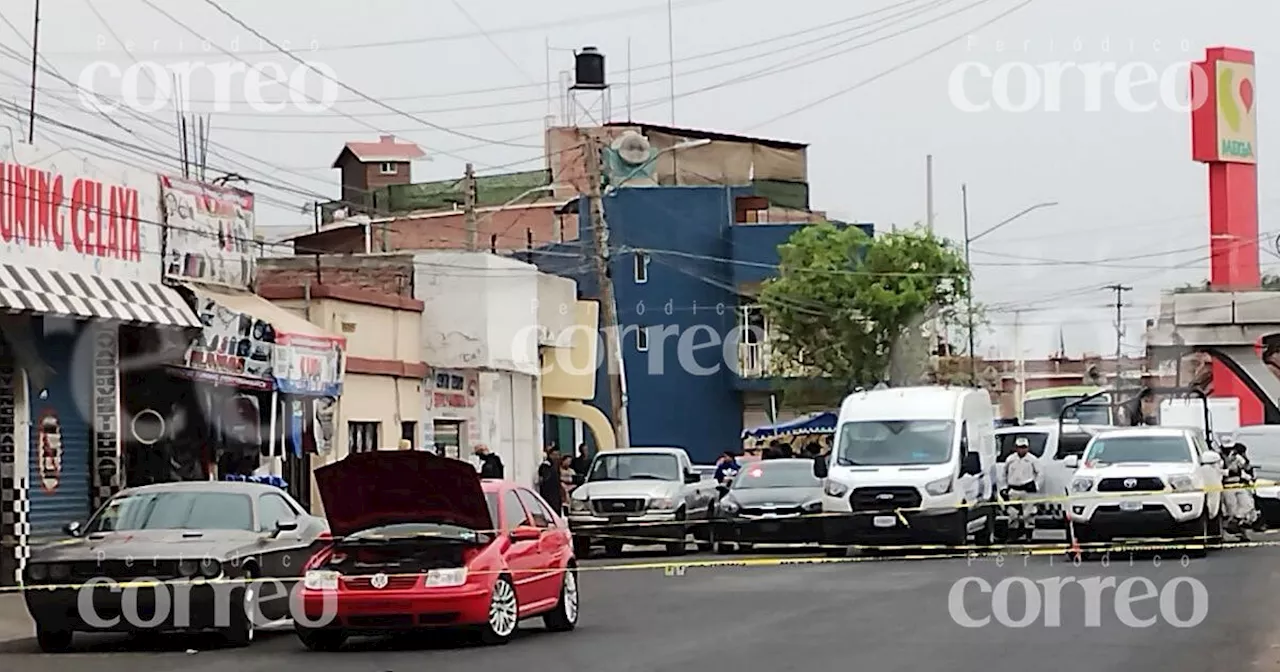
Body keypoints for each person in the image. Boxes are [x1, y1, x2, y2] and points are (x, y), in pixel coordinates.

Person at [1001, 437, 1041, 541]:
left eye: (1024, 447)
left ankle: (1029, 536)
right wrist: (1004, 488)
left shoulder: (1032, 460)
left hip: (1027, 490)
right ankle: (1013, 536)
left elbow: (1040, 473)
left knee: (1029, 514)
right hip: (1014, 490)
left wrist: (1036, 485)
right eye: (1020, 447)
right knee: (1012, 514)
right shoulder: (1010, 459)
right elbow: (1003, 474)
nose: (1022, 450)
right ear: (1016, 448)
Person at [1222, 441, 1260, 534]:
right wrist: (1229, 470)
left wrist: (1244, 462)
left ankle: (1236, 521)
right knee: (1231, 508)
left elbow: (1246, 468)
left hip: (1238, 484)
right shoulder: (1219, 458)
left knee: (1248, 505)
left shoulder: (1238, 458)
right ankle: (1236, 531)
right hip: (1228, 485)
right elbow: (1220, 471)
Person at [538, 447, 565, 514]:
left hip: (556, 495)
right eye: (554, 455)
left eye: (558, 455)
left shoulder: (556, 466)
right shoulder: (546, 466)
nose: (556, 457)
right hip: (548, 495)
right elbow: (544, 478)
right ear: (550, 455)